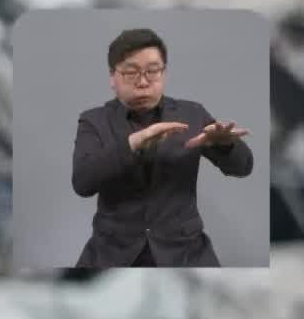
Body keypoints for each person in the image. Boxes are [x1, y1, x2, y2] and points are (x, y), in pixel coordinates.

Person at [70, 27, 254, 268]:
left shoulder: (192, 114)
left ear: (163, 73)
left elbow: (243, 167)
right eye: (130, 72)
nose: (143, 81)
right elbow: (82, 182)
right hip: (113, 254)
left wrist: (226, 145)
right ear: (112, 78)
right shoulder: (94, 121)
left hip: (186, 253)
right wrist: (133, 143)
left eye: (152, 71)